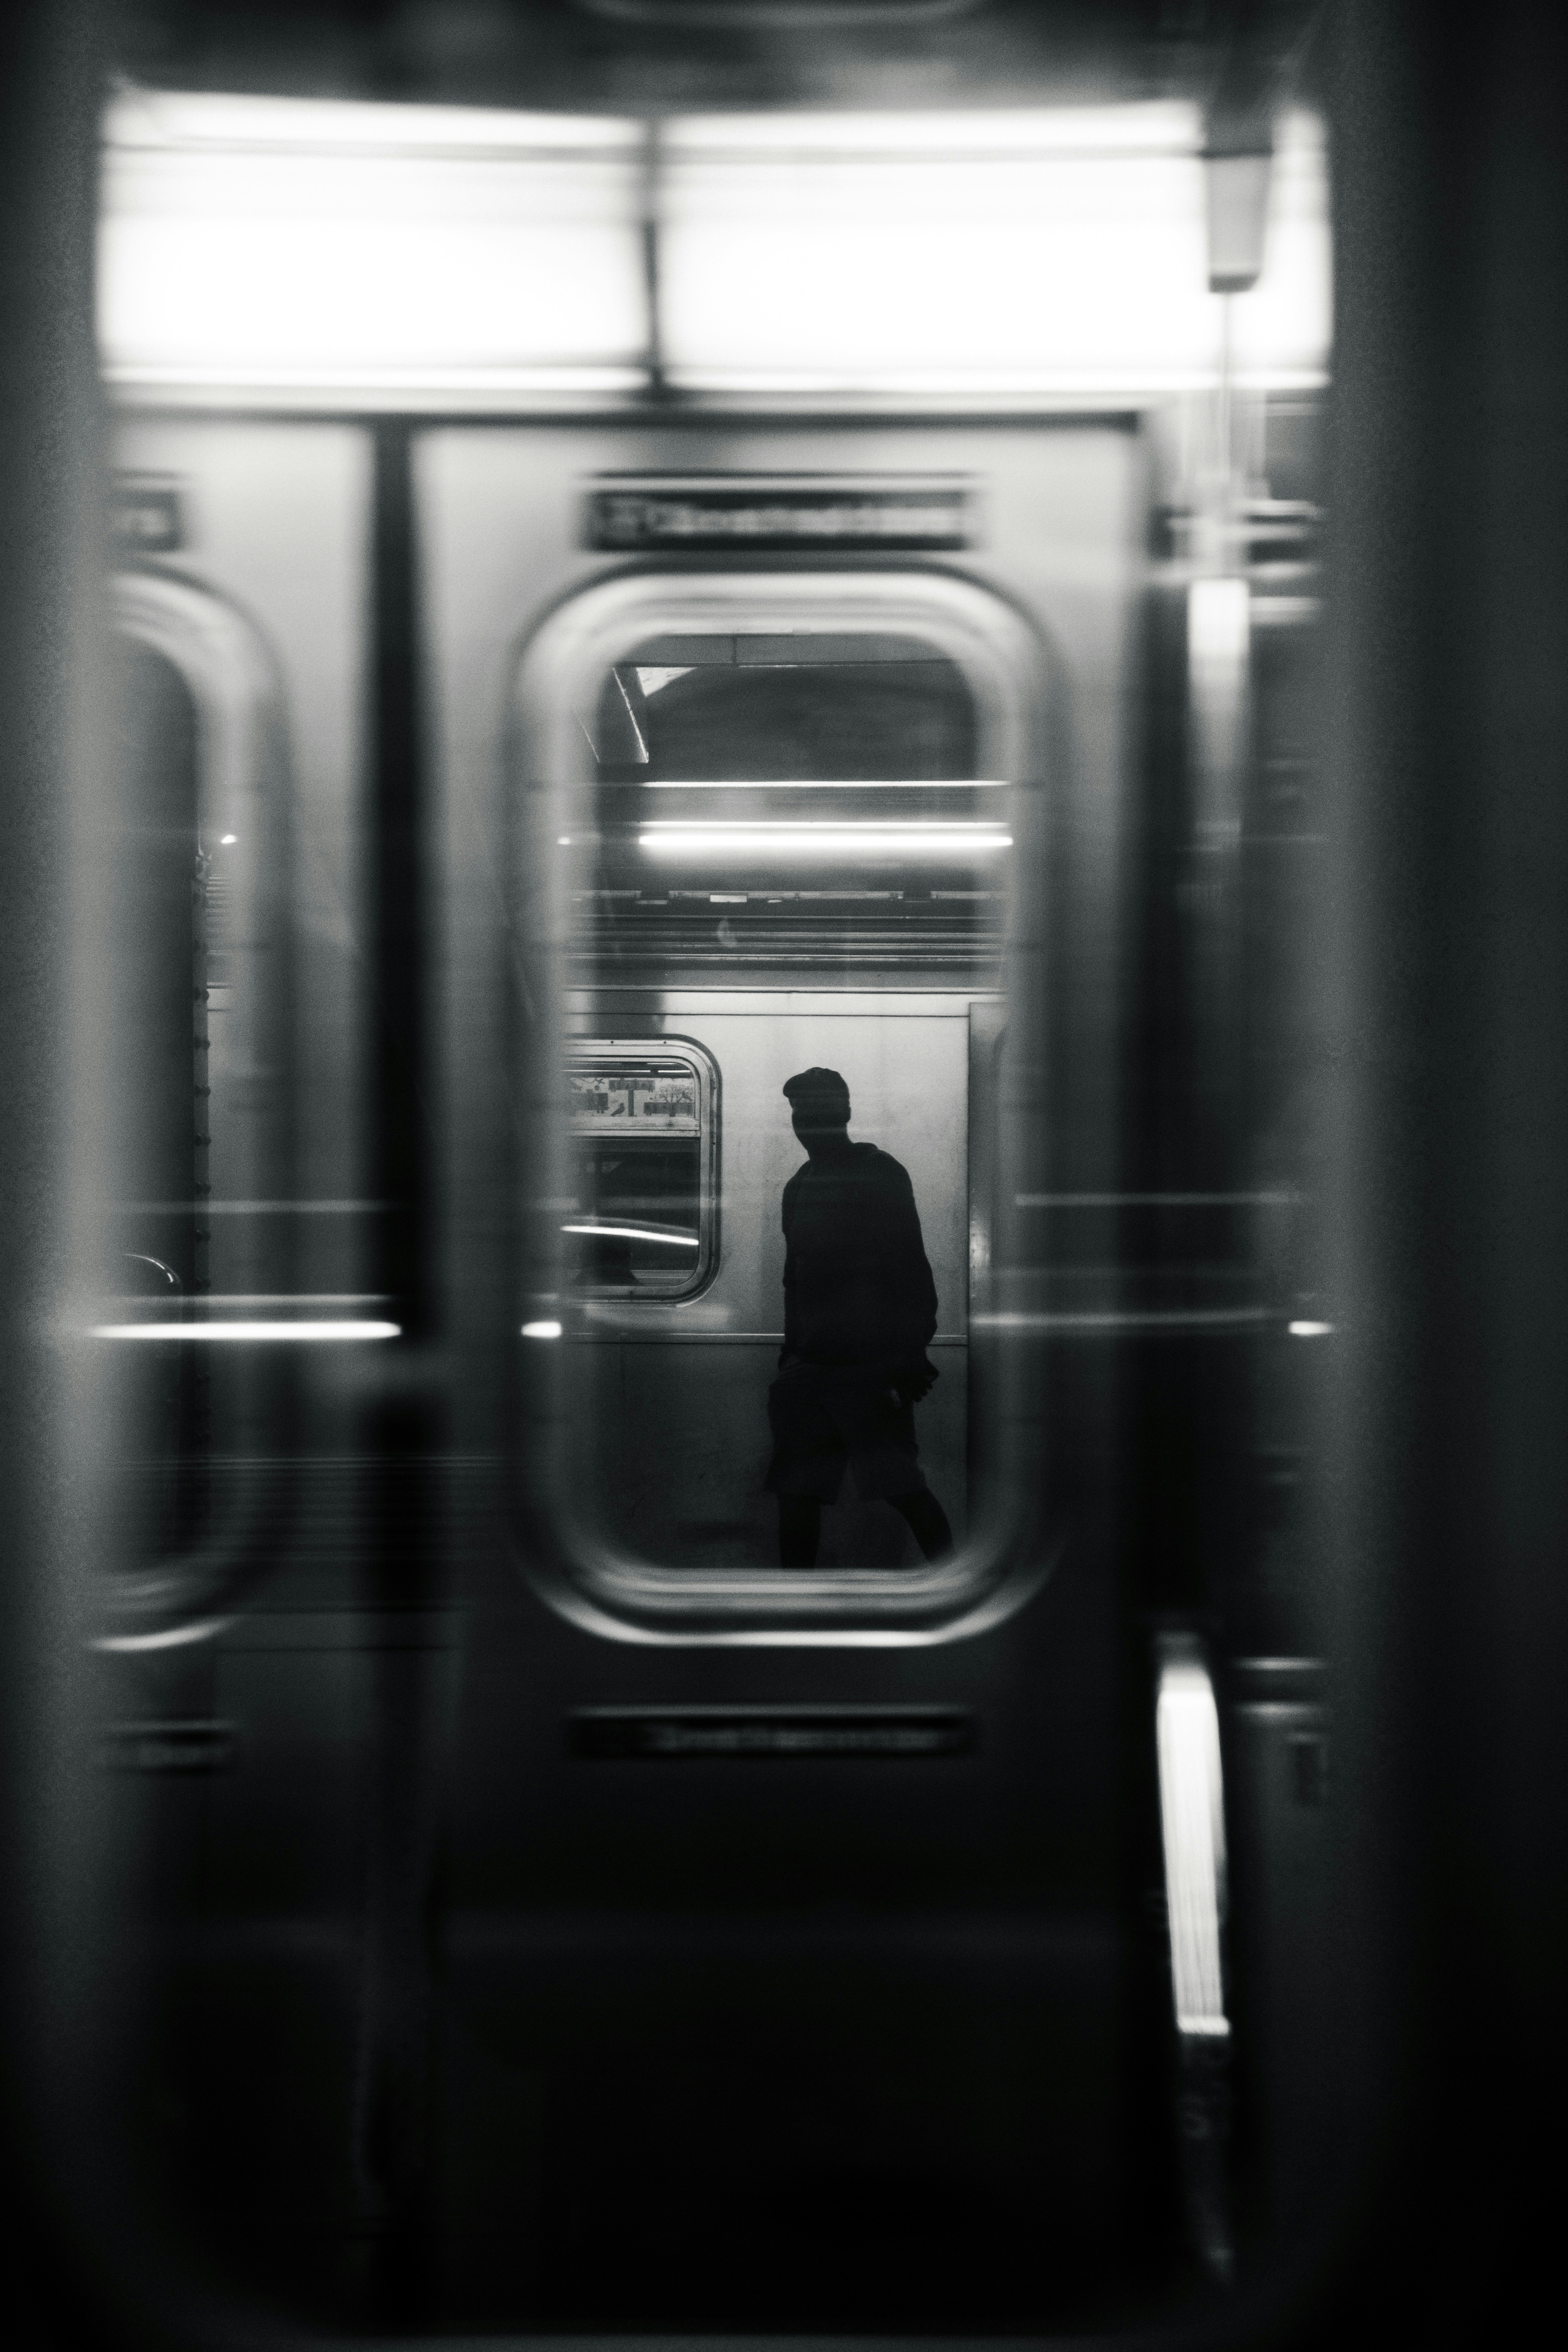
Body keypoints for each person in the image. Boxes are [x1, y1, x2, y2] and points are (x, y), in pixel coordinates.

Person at [765, 1066, 955, 1568]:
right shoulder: (799, 1185)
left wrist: (910, 1352)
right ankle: (796, 1611)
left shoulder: (878, 1172)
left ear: (846, 1113)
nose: (807, 1122)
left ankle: (954, 1578)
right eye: (800, 1112)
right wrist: (791, 1358)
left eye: (820, 1110)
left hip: (868, 1369)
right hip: (812, 1368)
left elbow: (909, 1266)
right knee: (798, 1498)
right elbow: (794, 1278)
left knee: (902, 1490)